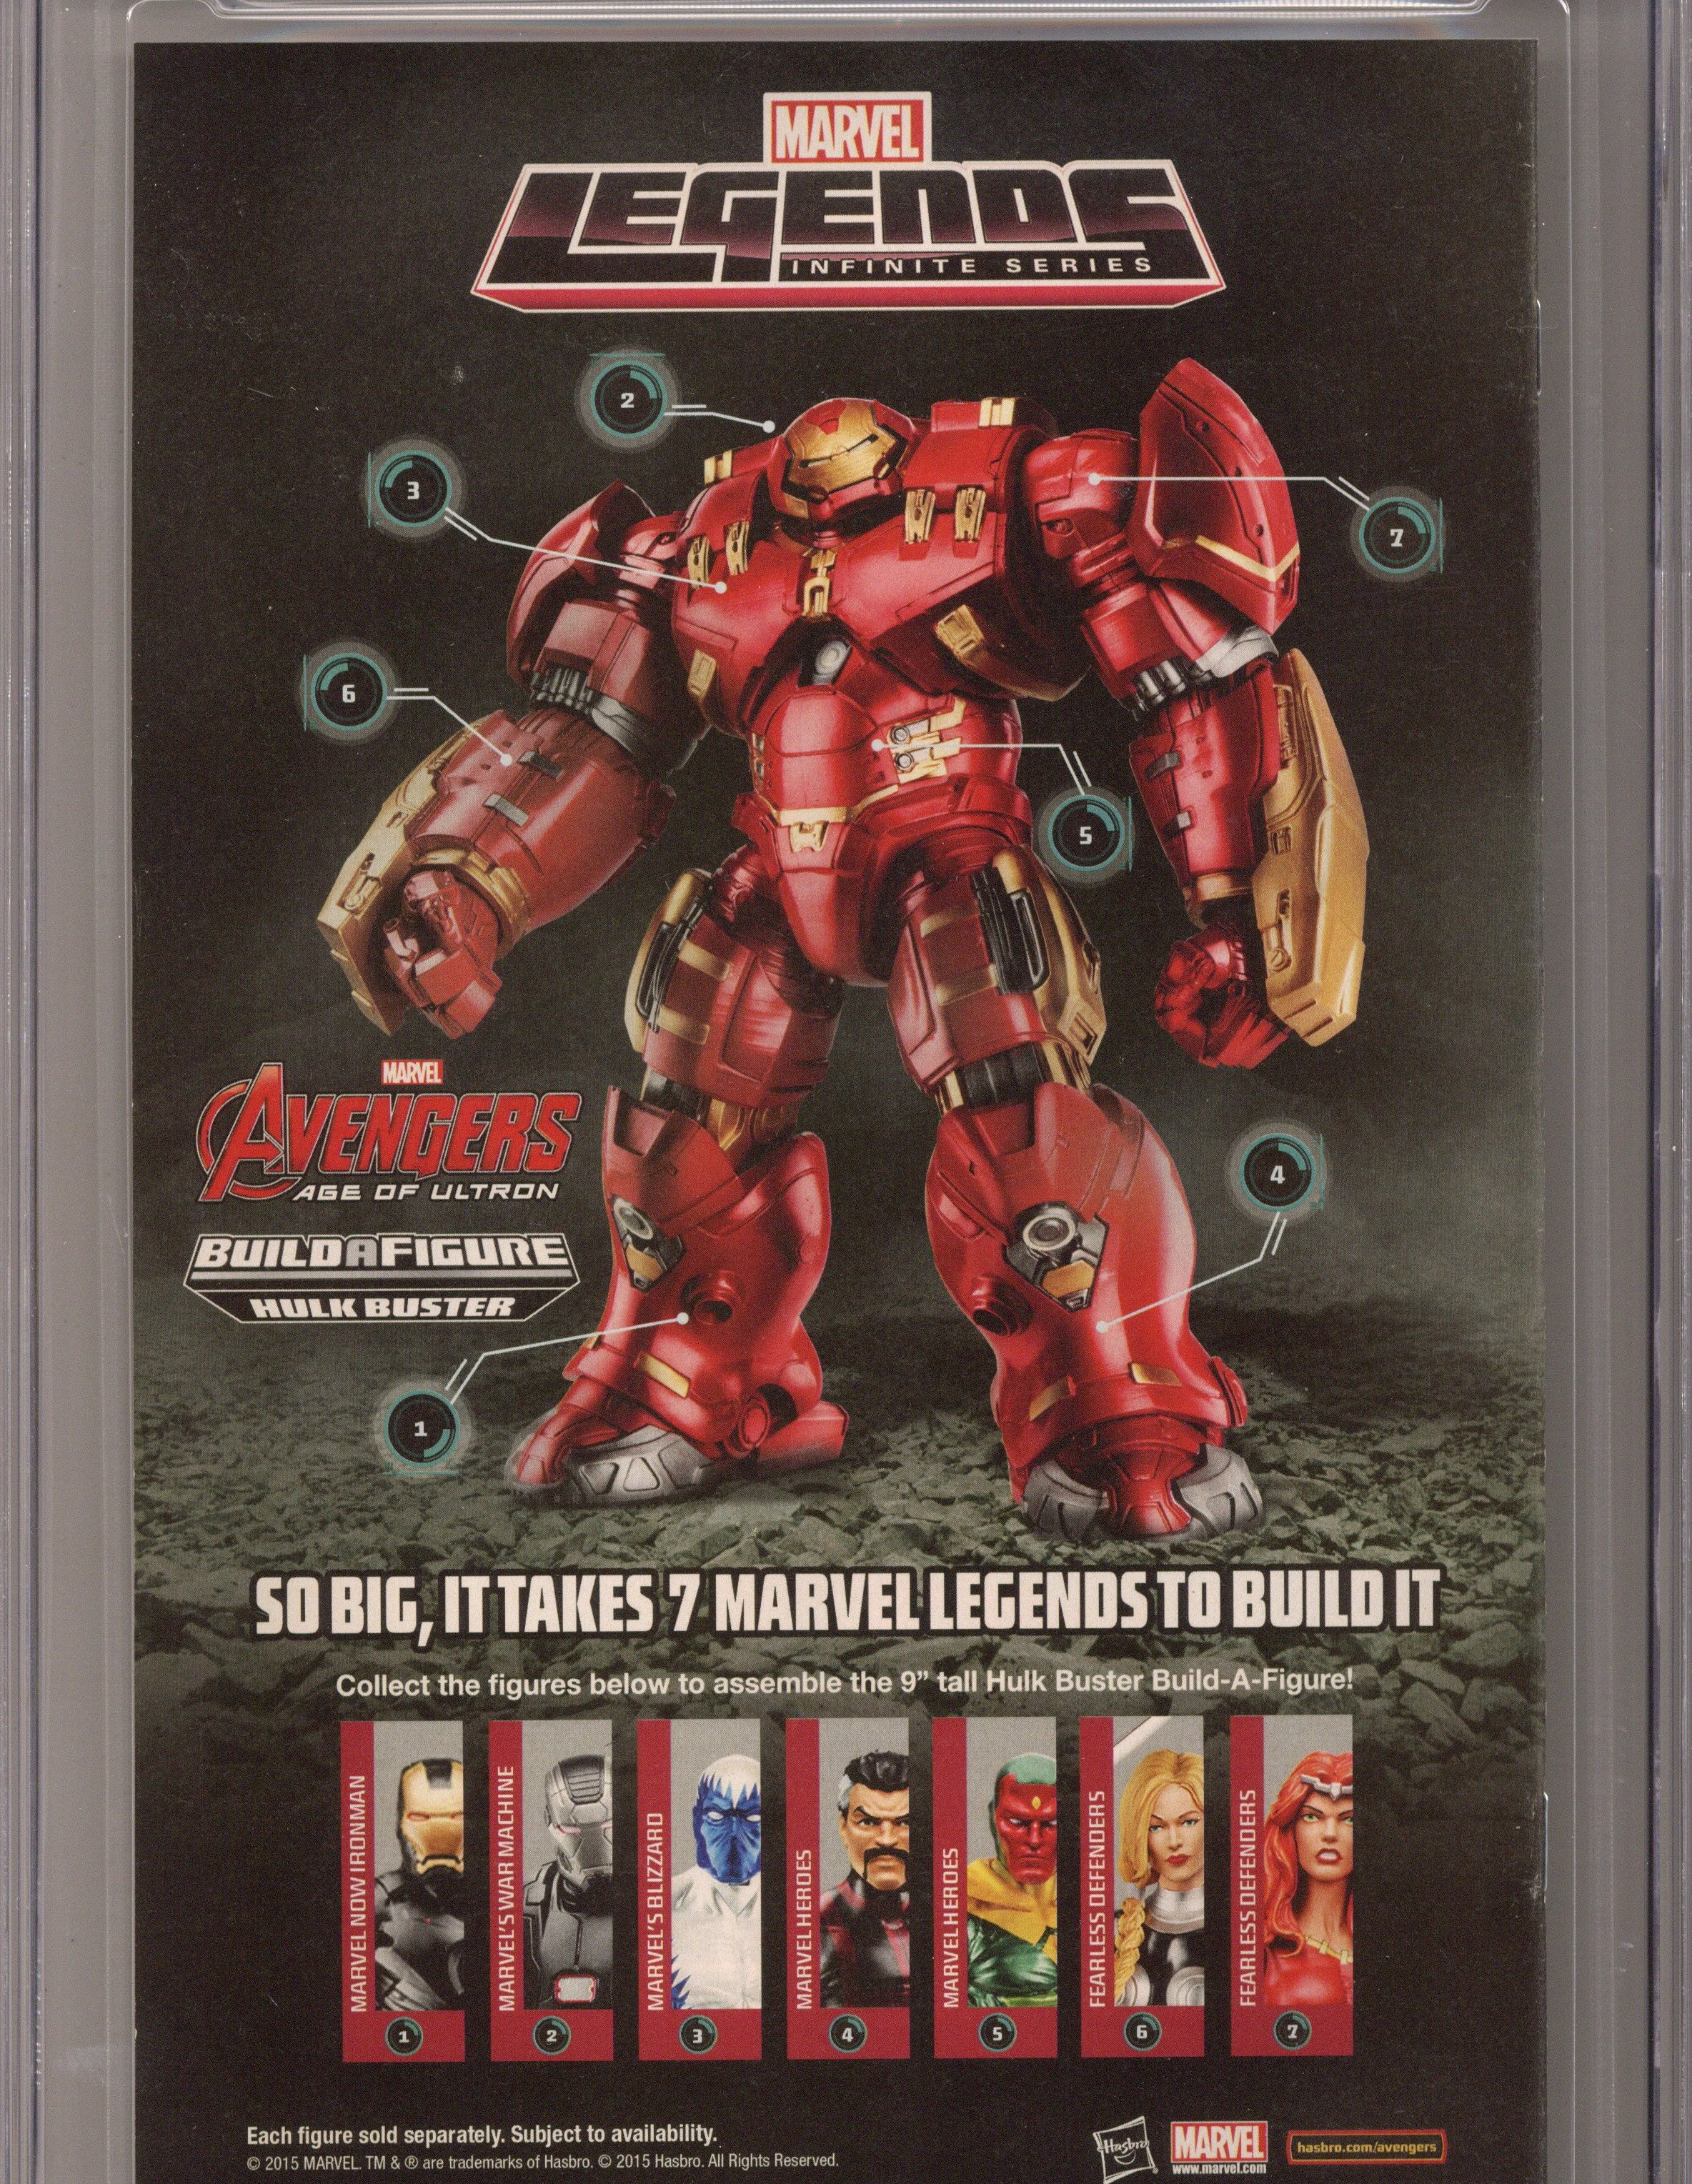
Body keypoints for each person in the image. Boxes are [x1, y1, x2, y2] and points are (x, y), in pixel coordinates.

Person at [324, 373, 1367, 1541]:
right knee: (683, 1114)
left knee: (1018, 1113)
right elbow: (585, 741)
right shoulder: (696, 541)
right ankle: (684, 1383)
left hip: (947, 852)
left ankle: (1118, 1394)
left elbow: (1196, 679)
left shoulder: (1025, 490)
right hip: (774, 869)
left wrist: (1236, 911)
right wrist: (467, 884)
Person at [1260, 1747, 1353, 2009]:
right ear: (1291, 1830)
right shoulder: (1261, 1946)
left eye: (1349, 1820)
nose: (1330, 1834)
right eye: (1312, 1817)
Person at [819, 1750, 911, 2008]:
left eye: (905, 1823)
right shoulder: (811, 1924)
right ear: (843, 1827)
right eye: (868, 1822)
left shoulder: (955, 1920)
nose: (886, 1839)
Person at [522, 1749, 613, 2010]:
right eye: (573, 1827)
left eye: (608, 1825)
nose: (592, 1841)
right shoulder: (525, 1904)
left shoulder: (657, 1903)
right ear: (549, 1820)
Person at [670, 1750, 761, 2010]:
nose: (734, 1833)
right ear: (697, 1822)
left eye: (752, 1817)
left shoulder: (799, 1907)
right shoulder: (664, 1904)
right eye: (717, 1817)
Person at [1113, 1747, 1204, 2006]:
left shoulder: (1245, 1929)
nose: (1174, 1842)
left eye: (1189, 1822)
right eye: (1156, 1827)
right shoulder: (1115, 1930)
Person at [965, 1751, 1058, 2006]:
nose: (1035, 1840)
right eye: (1017, 1821)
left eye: (1051, 1823)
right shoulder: (957, 1905)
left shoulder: (1089, 1905)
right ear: (992, 1819)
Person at [374, 1756, 464, 2013]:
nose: (438, 1834)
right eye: (422, 1817)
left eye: (455, 1817)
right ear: (400, 1826)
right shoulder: (378, 1901)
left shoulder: (501, 1900)